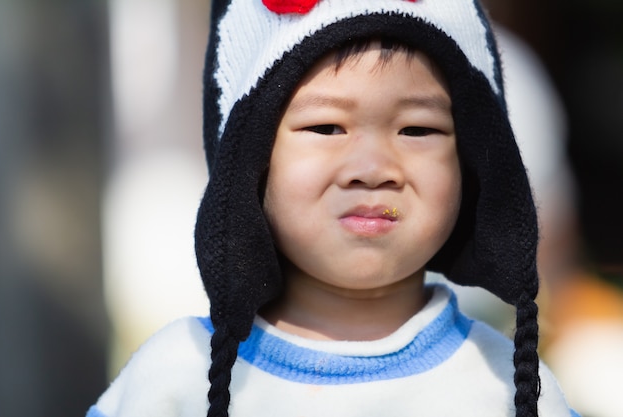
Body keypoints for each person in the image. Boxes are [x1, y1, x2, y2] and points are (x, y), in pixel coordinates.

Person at [86, 1, 579, 416]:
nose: (371, 168)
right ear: (251, 164)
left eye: (417, 130)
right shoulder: (175, 378)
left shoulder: (509, 388)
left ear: (472, 163)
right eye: (326, 128)